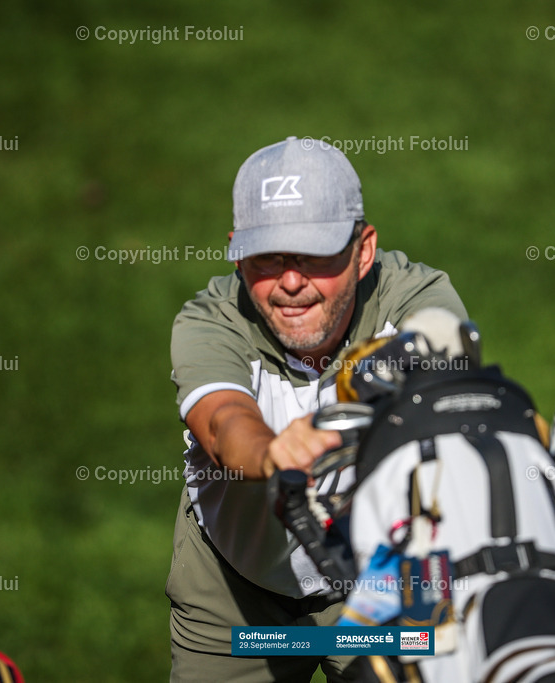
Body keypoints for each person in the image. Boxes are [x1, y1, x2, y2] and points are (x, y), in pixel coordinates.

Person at [166, 136, 467, 682]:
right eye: (268, 257)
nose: (290, 280)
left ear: (363, 250)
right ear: (236, 250)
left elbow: (442, 373)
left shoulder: (417, 299)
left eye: (313, 254)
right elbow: (220, 421)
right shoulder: (207, 321)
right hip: (234, 594)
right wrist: (272, 451)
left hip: (382, 590)